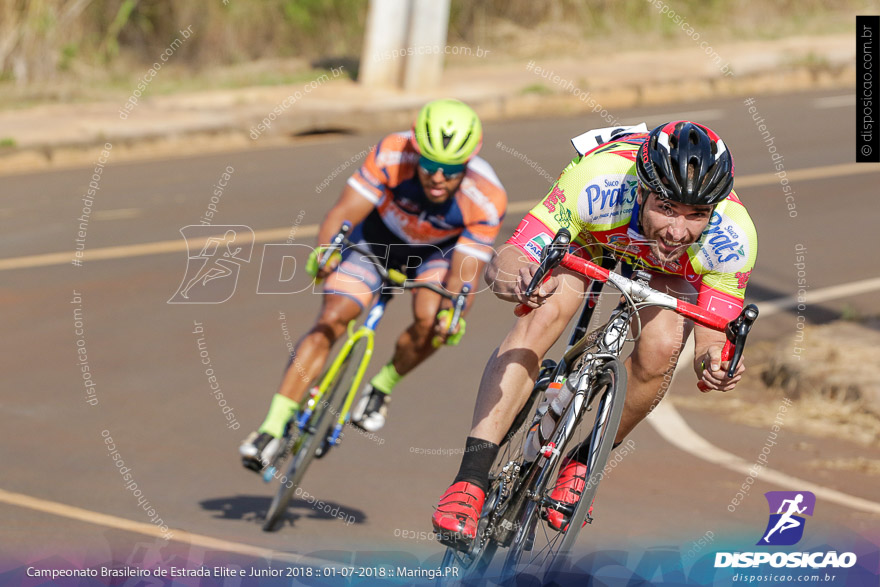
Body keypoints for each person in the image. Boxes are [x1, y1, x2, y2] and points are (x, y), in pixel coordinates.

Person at [431, 120, 757, 546]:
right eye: (666, 208)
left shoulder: (733, 236)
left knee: (662, 346)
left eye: (696, 215)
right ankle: (469, 482)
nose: (678, 231)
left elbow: (713, 337)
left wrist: (714, 363)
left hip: (672, 273)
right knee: (545, 312)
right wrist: (516, 276)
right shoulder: (598, 182)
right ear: (641, 191)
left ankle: (583, 462)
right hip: (596, 235)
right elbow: (508, 258)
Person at [240, 99, 508, 471]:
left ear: (468, 163)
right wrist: (326, 252)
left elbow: (464, 273)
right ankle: (271, 427)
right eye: (429, 165)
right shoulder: (391, 154)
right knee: (334, 317)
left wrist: (453, 313)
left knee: (433, 321)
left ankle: (381, 386)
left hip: (434, 256)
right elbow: (343, 213)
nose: (437, 177)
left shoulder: (487, 196)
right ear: (416, 152)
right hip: (374, 243)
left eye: (450, 170)